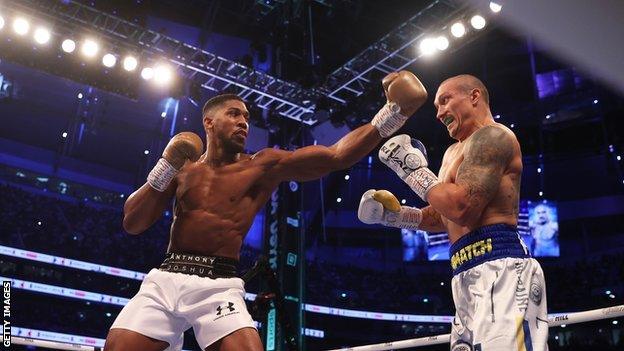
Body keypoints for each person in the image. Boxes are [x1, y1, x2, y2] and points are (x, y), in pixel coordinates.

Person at [104, 71, 428, 351]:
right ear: (209, 122)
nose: (243, 122)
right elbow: (133, 222)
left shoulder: (261, 166)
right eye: (233, 114)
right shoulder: (183, 168)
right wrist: (167, 164)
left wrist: (393, 113)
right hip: (166, 278)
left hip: (218, 285)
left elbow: (335, 156)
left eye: (246, 117)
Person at [358, 74, 549, 350]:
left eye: (445, 101)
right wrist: (395, 216)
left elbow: (463, 208)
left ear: (474, 96)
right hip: (463, 272)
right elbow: (443, 215)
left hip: (502, 268)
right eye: (436, 106)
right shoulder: (450, 154)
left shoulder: (494, 137)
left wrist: (411, 169)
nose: (439, 113)